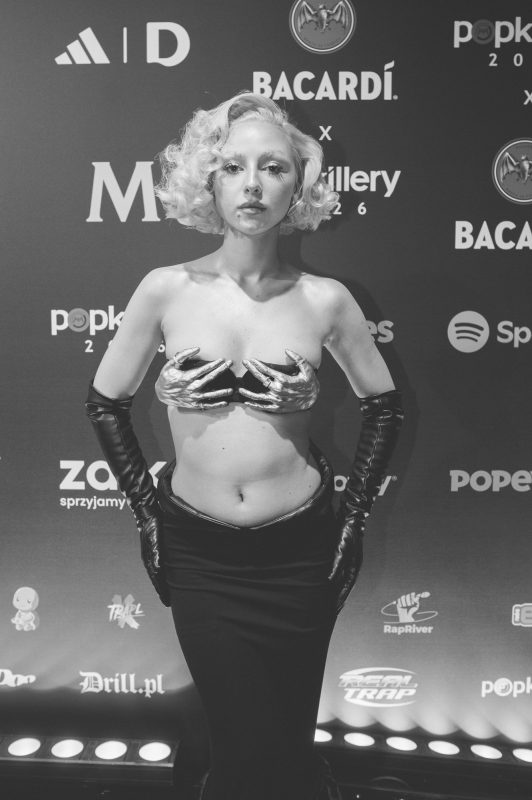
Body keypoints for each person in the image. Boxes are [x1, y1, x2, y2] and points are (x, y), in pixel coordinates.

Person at [85, 92, 404, 800]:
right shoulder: (165, 290)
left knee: (287, 742)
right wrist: (147, 514)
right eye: (234, 166)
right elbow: (105, 402)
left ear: (300, 184)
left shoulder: (326, 300)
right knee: (238, 743)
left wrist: (352, 520)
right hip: (202, 555)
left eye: (273, 167)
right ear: (208, 179)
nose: (252, 185)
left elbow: (384, 407)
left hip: (301, 553)